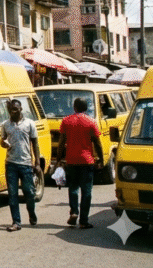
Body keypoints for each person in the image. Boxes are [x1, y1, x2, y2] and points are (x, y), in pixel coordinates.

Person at [57, 97, 103, 229]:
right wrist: (100, 158)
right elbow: (97, 142)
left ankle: (74, 212)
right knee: (86, 190)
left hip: (71, 160)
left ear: (74, 107)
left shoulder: (66, 121)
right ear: (86, 108)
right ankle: (83, 221)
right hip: (87, 160)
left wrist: (59, 158)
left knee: (73, 188)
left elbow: (61, 143)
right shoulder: (91, 122)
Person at [0, 99, 41, 231]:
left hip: (26, 164)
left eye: (16, 109)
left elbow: (35, 143)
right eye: (11, 110)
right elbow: (2, 141)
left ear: (21, 109)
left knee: (29, 192)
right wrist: (3, 143)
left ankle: (31, 212)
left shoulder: (29, 124)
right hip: (11, 164)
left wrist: (37, 163)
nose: (13, 112)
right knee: (12, 194)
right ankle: (16, 222)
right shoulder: (6, 125)